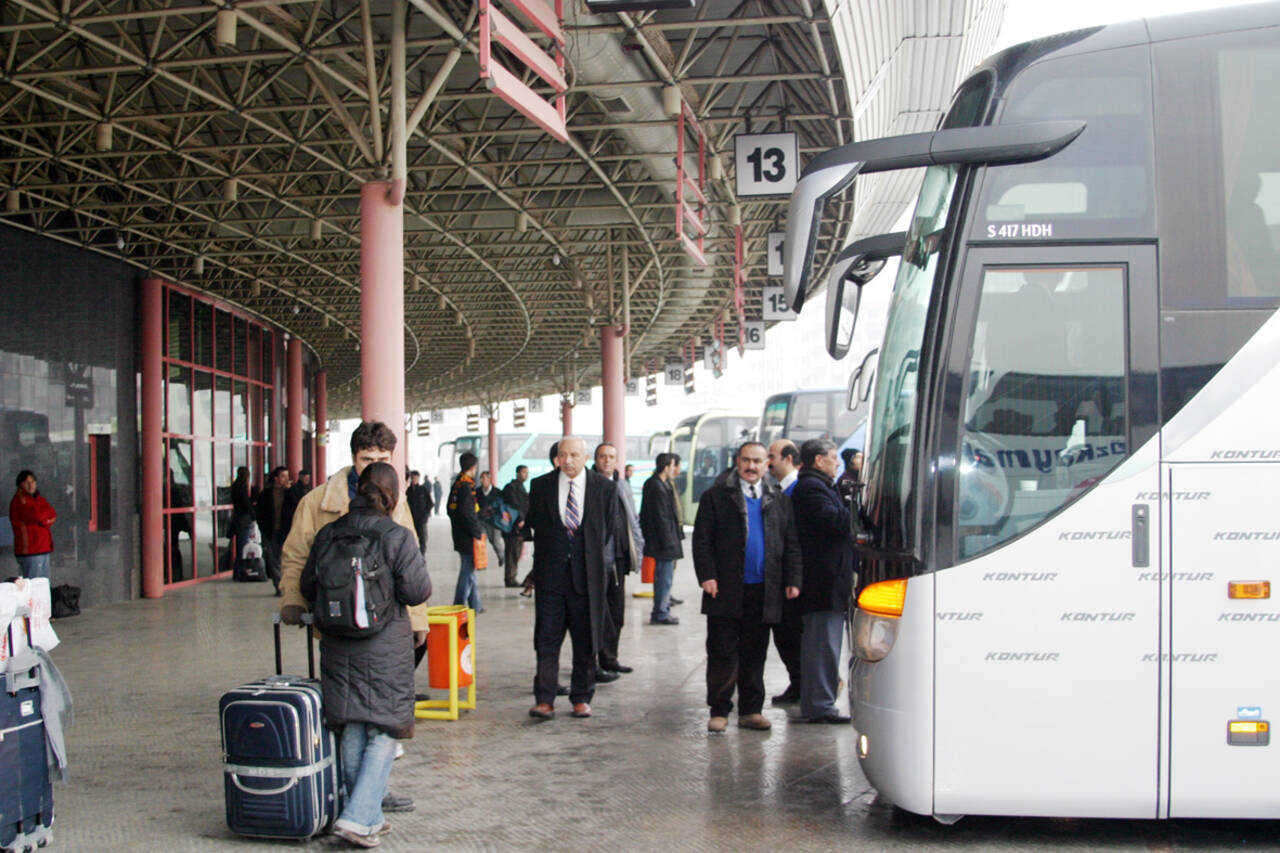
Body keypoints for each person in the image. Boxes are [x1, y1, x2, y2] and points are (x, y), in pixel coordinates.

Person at [278, 421, 427, 817]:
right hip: (340, 622)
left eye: (381, 459)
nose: (373, 466)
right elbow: (295, 556)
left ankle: (368, 795)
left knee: (364, 718)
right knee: (360, 719)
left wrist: (417, 620)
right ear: (353, 457)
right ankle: (363, 806)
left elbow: (408, 564)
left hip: (383, 626)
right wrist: (292, 599)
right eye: (367, 458)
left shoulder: (399, 502)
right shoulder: (316, 503)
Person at [692, 441, 802, 733]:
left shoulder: (779, 500)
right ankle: (719, 710)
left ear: (767, 464)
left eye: (757, 461)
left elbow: (791, 544)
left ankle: (751, 710)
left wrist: (793, 580)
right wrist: (707, 575)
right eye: (745, 460)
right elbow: (701, 541)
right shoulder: (716, 497)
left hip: (764, 591)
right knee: (722, 652)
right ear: (737, 462)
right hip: (724, 589)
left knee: (755, 653)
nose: (751, 467)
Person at [524, 437, 618, 720]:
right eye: (562, 455)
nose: (568, 460)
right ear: (556, 458)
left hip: (588, 579)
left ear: (585, 456)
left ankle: (581, 697)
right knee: (547, 639)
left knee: (586, 639)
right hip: (551, 578)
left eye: (574, 455)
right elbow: (535, 525)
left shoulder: (605, 488)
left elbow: (607, 531)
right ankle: (544, 699)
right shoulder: (541, 486)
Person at [791, 439, 855, 725]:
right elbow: (836, 523)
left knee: (826, 644)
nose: (838, 462)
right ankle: (819, 705)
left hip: (828, 580)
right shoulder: (811, 489)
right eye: (833, 457)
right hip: (821, 582)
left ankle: (821, 702)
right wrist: (851, 506)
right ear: (818, 460)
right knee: (822, 645)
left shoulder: (819, 486)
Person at [593, 442, 644, 679]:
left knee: (616, 612)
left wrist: (638, 550)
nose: (607, 461)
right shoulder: (590, 485)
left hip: (619, 557)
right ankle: (594, 662)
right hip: (597, 560)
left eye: (611, 457)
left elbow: (632, 519)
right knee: (597, 613)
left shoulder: (622, 485)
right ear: (595, 460)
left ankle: (610, 658)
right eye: (602, 456)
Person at [765, 439, 804, 705]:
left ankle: (803, 683)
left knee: (792, 634)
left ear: (788, 459)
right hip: (776, 574)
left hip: (793, 576)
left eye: (772, 456)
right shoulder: (776, 490)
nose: (769, 462)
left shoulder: (799, 490)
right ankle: (797, 682)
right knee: (783, 635)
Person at [639, 453, 681, 625]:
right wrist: (669, 542)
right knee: (664, 578)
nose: (675, 469)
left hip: (663, 540)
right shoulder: (657, 486)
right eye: (673, 465)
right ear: (666, 466)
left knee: (664, 577)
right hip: (663, 542)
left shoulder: (659, 484)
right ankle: (661, 613)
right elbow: (661, 517)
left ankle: (662, 610)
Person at [447, 453, 485, 614]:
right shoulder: (466, 486)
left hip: (459, 533)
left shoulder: (457, 483)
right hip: (467, 536)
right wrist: (477, 531)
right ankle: (459, 605)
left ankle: (475, 604)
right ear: (473, 467)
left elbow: (450, 509)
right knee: (467, 570)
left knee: (470, 568)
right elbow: (467, 513)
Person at [9, 470, 56, 579]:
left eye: (33, 481)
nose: (31, 485)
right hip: (31, 550)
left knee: (42, 586)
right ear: (20, 484)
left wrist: (43, 520)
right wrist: (45, 519)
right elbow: (36, 516)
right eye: (27, 482)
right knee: (33, 586)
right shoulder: (20, 500)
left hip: (43, 548)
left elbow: (53, 514)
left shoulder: (37, 498)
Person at [255, 465, 291, 593]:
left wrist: (290, 491)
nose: (286, 479)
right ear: (276, 478)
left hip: (286, 531)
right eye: (283, 476)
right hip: (271, 531)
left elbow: (299, 505)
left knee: (286, 559)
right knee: (274, 559)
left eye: (287, 476)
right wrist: (263, 528)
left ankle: (288, 586)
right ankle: (280, 586)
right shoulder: (266, 493)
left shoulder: (290, 492)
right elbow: (259, 512)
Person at [501, 466, 531, 587]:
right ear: (517, 473)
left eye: (527, 473)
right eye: (524, 472)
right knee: (512, 552)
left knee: (516, 552)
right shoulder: (511, 487)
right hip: (513, 527)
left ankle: (512, 576)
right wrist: (520, 519)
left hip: (519, 527)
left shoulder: (520, 487)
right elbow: (513, 505)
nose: (526, 475)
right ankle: (510, 578)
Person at [666, 453, 685, 606]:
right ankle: (663, 600)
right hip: (669, 535)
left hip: (675, 532)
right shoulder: (662, 484)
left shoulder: (672, 482)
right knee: (666, 569)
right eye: (677, 465)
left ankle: (668, 595)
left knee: (672, 568)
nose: (679, 468)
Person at [475, 471, 504, 568]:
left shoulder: (497, 492)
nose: (482, 480)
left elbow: (501, 507)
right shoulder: (477, 492)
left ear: (489, 479)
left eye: (484, 478)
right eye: (481, 478)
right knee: (481, 541)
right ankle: (482, 562)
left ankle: (502, 557)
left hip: (494, 521)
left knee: (495, 541)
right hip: (481, 521)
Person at [405, 471, 433, 555]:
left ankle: (422, 555)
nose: (414, 480)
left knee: (422, 538)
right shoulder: (408, 491)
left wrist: (426, 514)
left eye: (415, 478)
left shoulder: (423, 490)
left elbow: (430, 503)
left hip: (421, 518)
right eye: (412, 478)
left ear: (418, 478)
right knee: (412, 538)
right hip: (411, 518)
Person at [281, 468, 312, 541]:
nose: (307, 480)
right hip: (296, 516)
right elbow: (294, 503)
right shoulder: (294, 489)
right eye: (306, 478)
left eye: (308, 478)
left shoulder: (308, 488)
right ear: (300, 477)